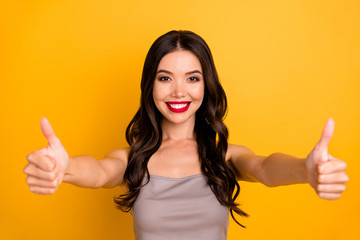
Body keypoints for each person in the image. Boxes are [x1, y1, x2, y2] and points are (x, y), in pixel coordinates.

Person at [24, 30, 349, 240]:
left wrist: (304, 170)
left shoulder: (225, 156)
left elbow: (264, 168)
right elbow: (97, 171)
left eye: (192, 78)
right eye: (165, 78)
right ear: (150, 85)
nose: (179, 91)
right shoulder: (132, 159)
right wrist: (61, 169)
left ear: (206, 85)